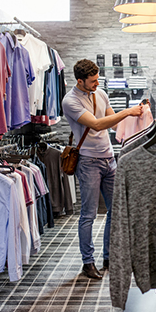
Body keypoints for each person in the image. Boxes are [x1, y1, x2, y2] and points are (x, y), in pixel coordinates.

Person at [62, 59, 143, 280]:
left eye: (98, 79)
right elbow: (97, 124)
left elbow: (114, 124)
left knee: (115, 210)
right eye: (93, 81)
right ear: (80, 81)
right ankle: (88, 263)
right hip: (88, 161)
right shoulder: (70, 101)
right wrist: (128, 111)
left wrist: (140, 122)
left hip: (109, 159)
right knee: (88, 215)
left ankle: (109, 257)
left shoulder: (101, 93)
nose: (97, 84)